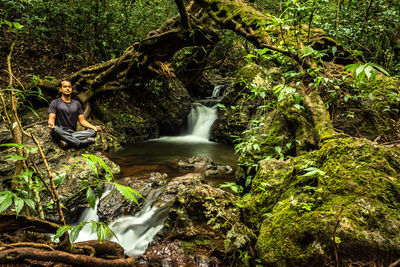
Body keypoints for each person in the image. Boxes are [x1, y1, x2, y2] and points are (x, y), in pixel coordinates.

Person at [48, 80, 101, 148]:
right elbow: (51, 118)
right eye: (65, 87)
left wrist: (94, 127)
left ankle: (66, 141)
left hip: (72, 132)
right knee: (55, 130)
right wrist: (51, 124)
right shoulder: (55, 103)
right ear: (60, 89)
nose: (67, 88)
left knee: (93, 132)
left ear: (71, 89)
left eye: (69, 87)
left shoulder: (77, 104)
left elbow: (82, 121)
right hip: (59, 131)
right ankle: (80, 143)